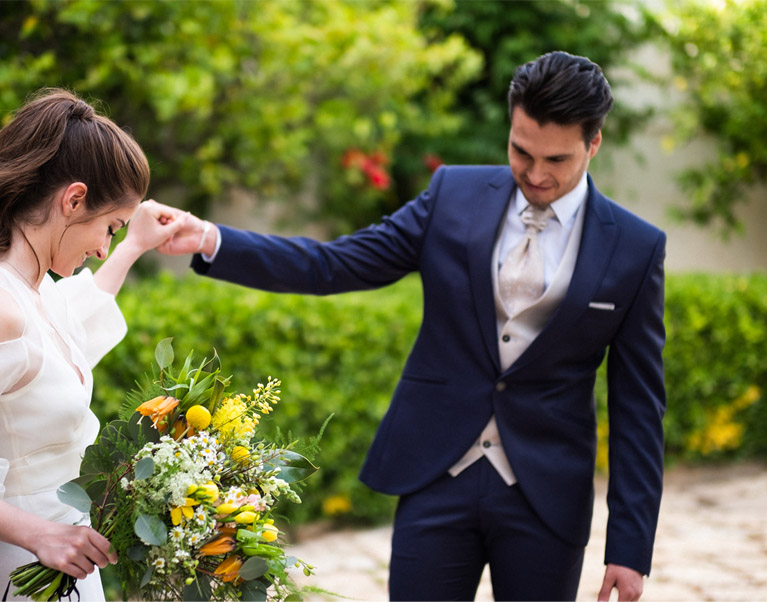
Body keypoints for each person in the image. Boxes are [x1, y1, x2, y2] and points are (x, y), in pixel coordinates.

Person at [157, 51, 666, 601]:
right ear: (511, 124)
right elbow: (337, 264)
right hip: (435, 472)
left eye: (557, 160)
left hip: (546, 493)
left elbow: (640, 406)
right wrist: (213, 240)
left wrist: (629, 547)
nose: (536, 174)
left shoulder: (636, 248)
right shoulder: (455, 194)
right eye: (521, 151)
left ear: (593, 143)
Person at [0, 89, 184, 601]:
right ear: (73, 200)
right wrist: (40, 534)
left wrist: (136, 244)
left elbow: (70, 330)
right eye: (110, 228)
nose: (103, 248)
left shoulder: (32, 289)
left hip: (60, 556)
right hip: (12, 568)